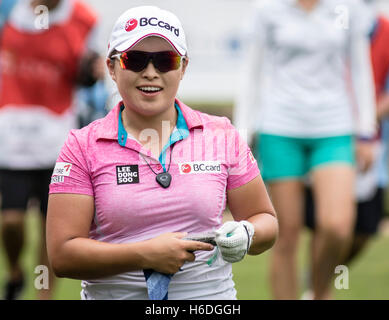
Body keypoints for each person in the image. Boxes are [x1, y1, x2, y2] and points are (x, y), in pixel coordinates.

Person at [46, 5, 278, 300]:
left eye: (165, 60)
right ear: (112, 67)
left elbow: (265, 219)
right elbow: (63, 255)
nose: (151, 73)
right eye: (136, 60)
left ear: (183, 68)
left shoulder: (221, 134)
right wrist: (143, 254)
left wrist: (248, 234)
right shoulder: (81, 146)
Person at [234, 0, 377, 299]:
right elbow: (251, 72)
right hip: (280, 128)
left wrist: (366, 131)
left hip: (334, 128)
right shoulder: (267, 9)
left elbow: (362, 70)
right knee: (286, 235)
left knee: (337, 226)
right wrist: (242, 134)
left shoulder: (347, 8)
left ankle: (318, 290)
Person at [0, 0, 102, 299]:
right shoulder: (5, 10)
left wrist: (91, 72)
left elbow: (93, 74)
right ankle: (14, 271)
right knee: (11, 221)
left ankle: (44, 296)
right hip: (9, 136)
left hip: (58, 138)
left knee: (50, 224)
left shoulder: (84, 18)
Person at [304, 4, 389, 297]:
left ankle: (320, 278)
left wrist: (363, 125)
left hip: (372, 147)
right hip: (327, 140)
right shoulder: (321, 27)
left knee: (363, 229)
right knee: (326, 225)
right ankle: (319, 289)